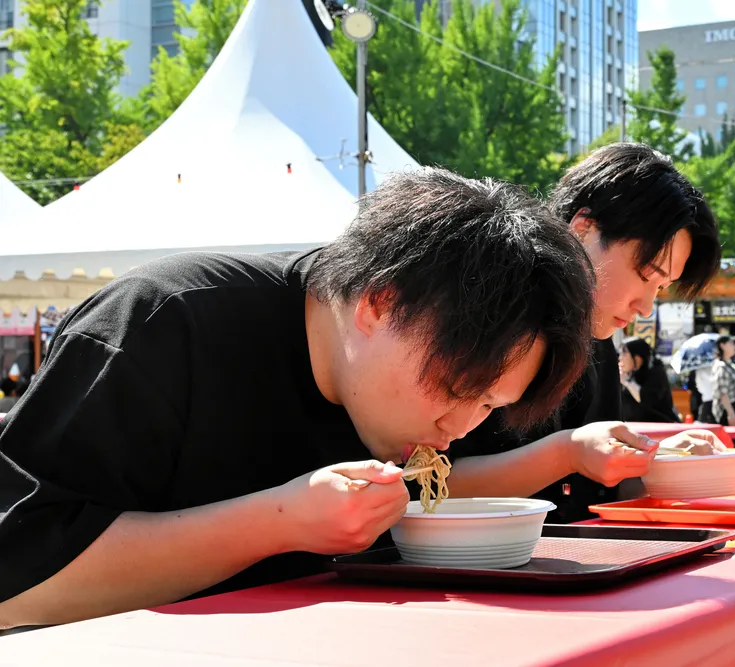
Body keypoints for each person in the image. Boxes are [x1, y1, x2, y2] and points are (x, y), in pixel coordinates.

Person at [0, 168, 598, 628]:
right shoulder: (161, 322)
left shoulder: (426, 398)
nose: (463, 427)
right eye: (455, 390)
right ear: (380, 305)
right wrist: (280, 522)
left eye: (492, 404)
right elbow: (18, 581)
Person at [445, 143, 725, 523]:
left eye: (661, 288)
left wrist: (654, 462)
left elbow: (596, 491)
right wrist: (568, 453)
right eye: (647, 275)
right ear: (582, 230)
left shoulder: (600, 342)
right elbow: (428, 484)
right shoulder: (483, 314)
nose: (646, 306)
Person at [618, 336, 679, 423]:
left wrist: (627, 382)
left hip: (660, 426)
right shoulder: (627, 374)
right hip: (634, 427)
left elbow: (645, 399)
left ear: (637, 358)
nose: (620, 358)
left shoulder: (656, 372)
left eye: (624, 354)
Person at [710, 335, 735, 426]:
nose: (734, 346)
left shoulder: (729, 364)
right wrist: (730, 414)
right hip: (728, 411)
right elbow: (722, 393)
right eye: (731, 343)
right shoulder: (720, 366)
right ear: (722, 346)